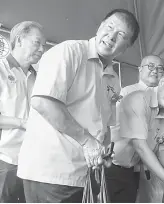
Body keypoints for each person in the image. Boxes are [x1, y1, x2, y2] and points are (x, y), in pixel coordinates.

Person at [16, 9, 140, 203]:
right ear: (100, 27)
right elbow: (43, 101)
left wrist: (104, 149)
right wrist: (87, 141)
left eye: (121, 35)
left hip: (85, 175)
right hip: (52, 173)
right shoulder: (70, 51)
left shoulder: (113, 78)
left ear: (127, 47)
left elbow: (105, 126)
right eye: (110, 27)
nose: (111, 36)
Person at [108, 67, 164, 202]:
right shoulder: (138, 99)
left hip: (130, 171)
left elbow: (163, 149)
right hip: (109, 168)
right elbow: (140, 146)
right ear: (163, 81)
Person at [0, 21, 46, 202]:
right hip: (6, 161)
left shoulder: (39, 78)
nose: (42, 49)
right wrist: (22, 123)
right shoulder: (2, 71)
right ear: (18, 40)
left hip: (36, 161)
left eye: (44, 44)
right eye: (37, 43)